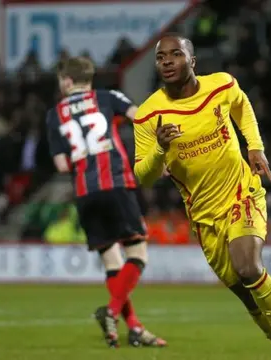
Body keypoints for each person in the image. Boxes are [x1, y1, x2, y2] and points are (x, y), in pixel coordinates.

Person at [132, 34, 271, 360]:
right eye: (161, 57)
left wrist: (255, 145)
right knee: (249, 297)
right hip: (204, 217)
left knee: (249, 266)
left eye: (176, 54)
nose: (167, 61)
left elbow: (242, 105)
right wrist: (160, 149)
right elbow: (143, 177)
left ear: (192, 61)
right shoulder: (149, 115)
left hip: (241, 194)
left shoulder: (220, 85)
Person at [45, 57, 166, 348]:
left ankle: (134, 328)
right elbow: (141, 118)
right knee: (138, 255)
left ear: (67, 80)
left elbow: (62, 165)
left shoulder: (55, 114)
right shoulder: (107, 97)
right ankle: (110, 312)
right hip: (115, 184)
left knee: (113, 263)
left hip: (85, 194)